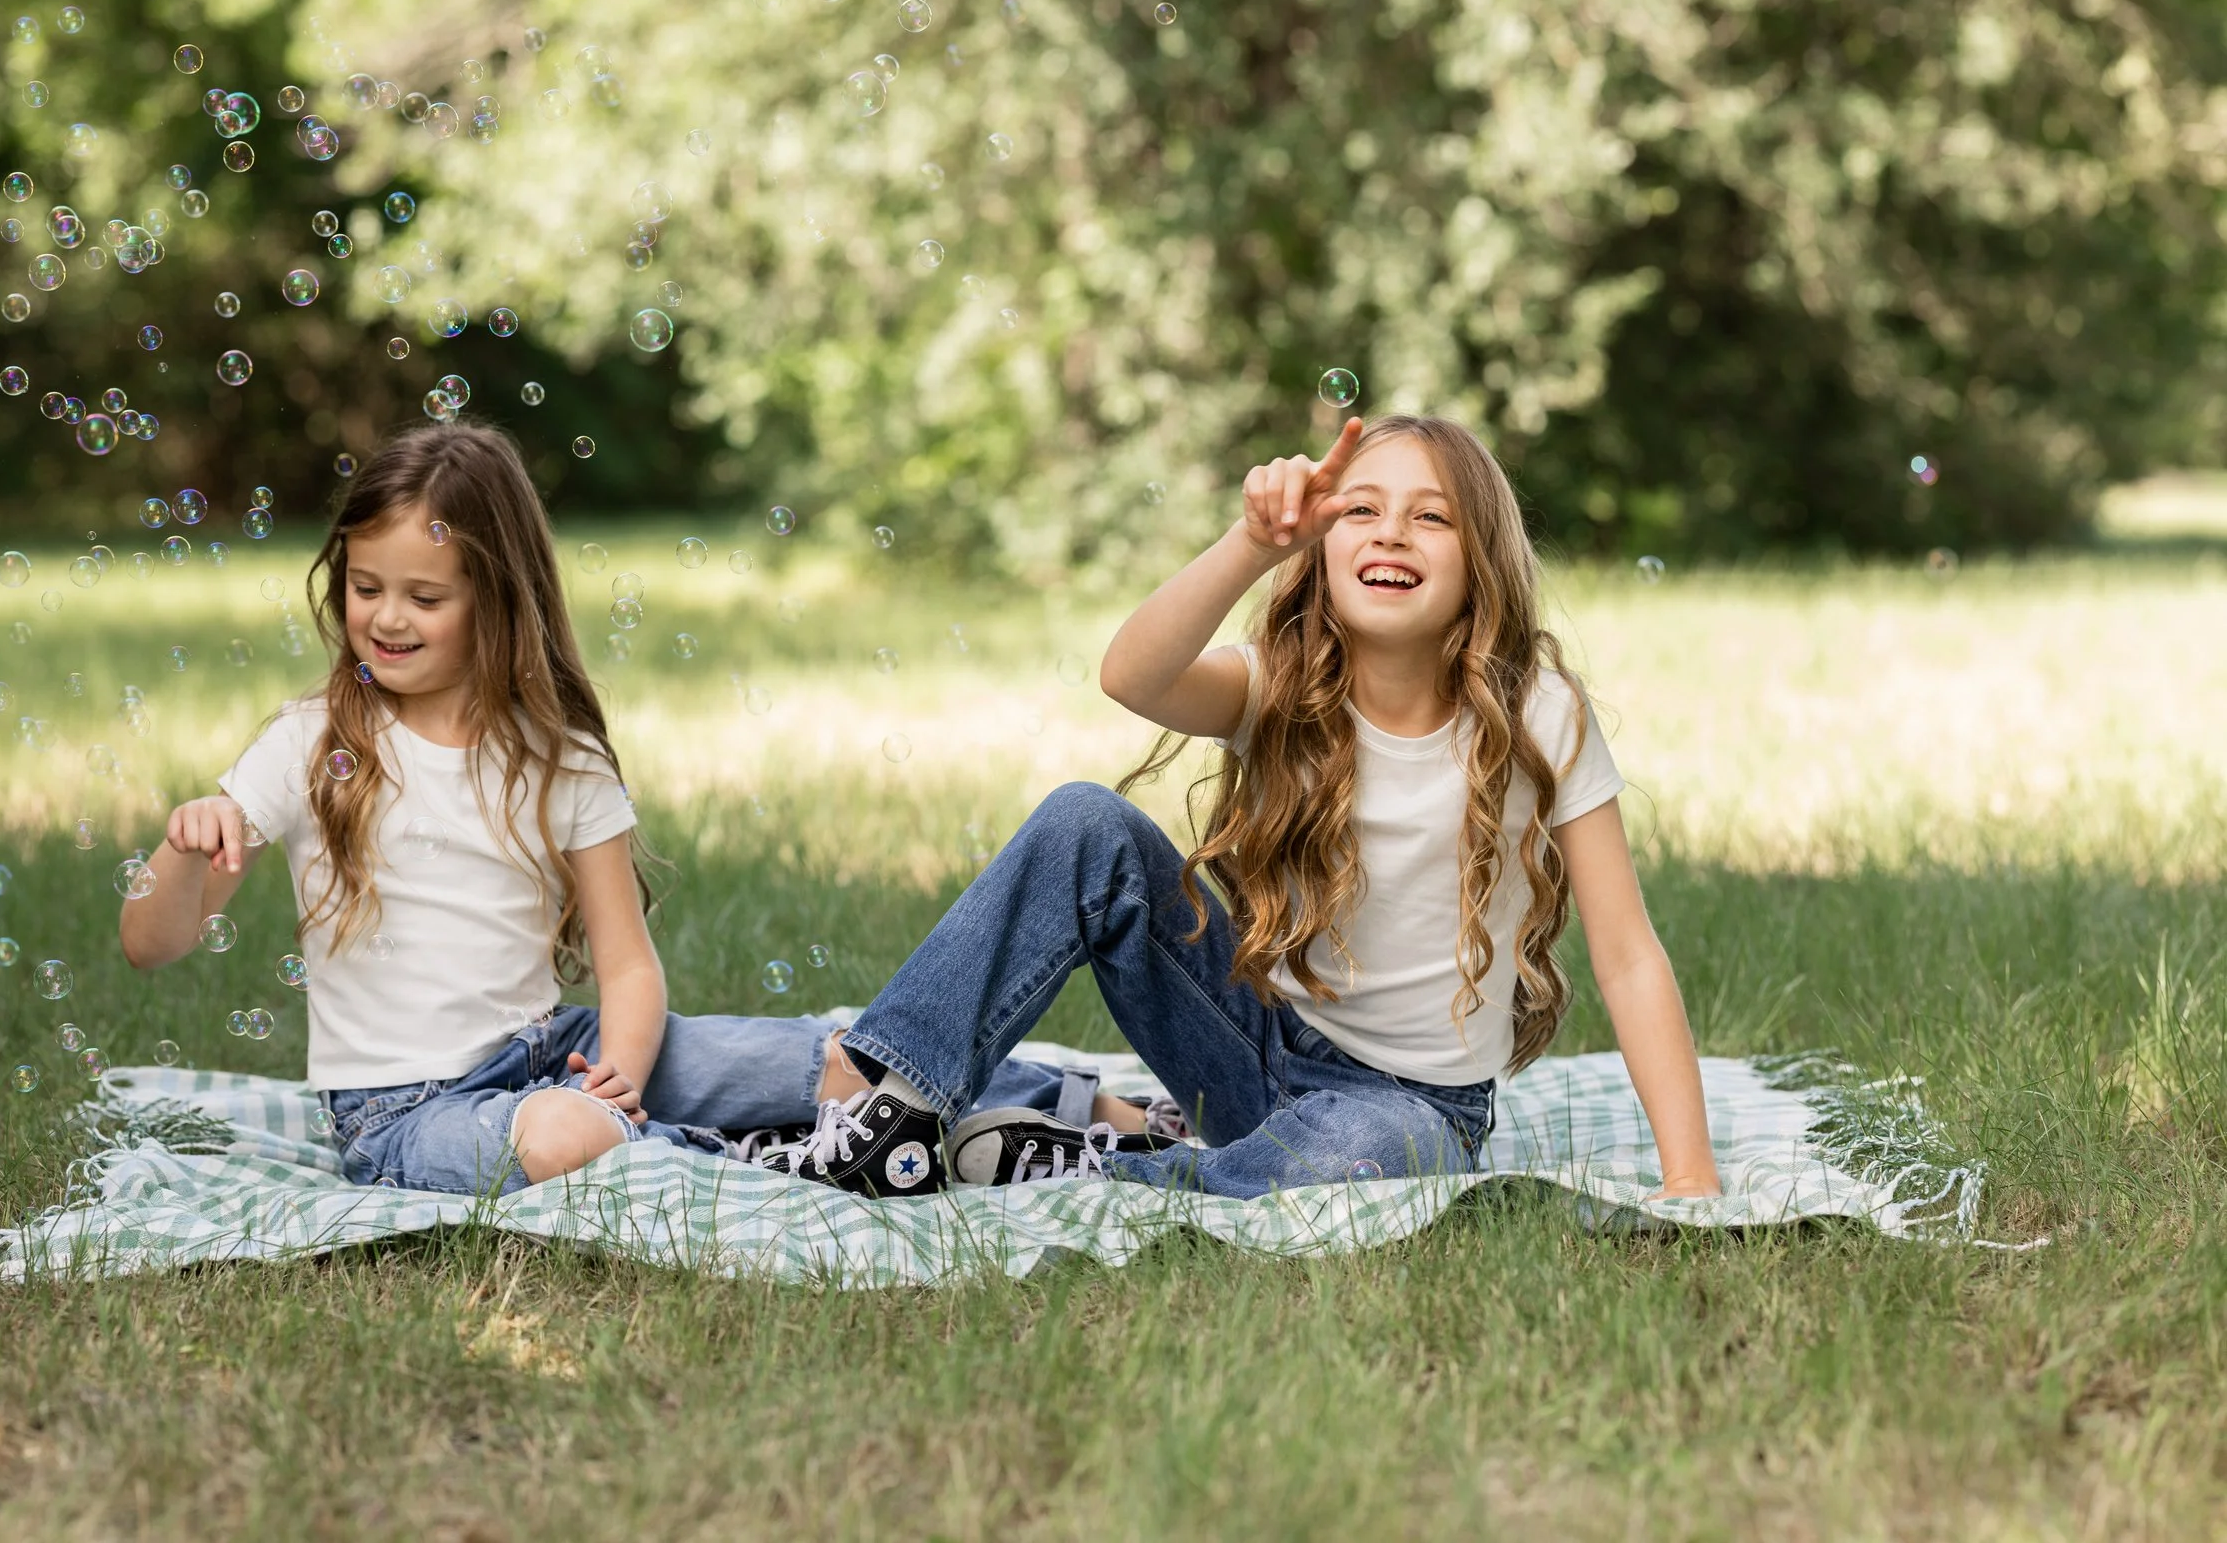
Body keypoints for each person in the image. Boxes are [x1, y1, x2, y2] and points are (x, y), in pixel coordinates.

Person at [117, 421, 1105, 1196]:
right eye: (366, 586)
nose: (383, 615)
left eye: (424, 595)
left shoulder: (558, 755)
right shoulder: (308, 743)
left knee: (835, 1061)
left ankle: (1088, 1112)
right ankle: (796, 1160)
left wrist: (622, 1070)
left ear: (498, 599)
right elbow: (149, 943)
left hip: (556, 1046)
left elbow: (628, 959)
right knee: (559, 1134)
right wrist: (185, 853)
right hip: (404, 1113)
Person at [757, 413, 1723, 1201]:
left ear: (1484, 564)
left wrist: (1691, 1175)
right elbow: (1131, 674)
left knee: (1363, 1159)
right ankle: (884, 1098)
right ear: (1322, 546)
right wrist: (1250, 543)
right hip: (1247, 1042)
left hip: (1411, 1106)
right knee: (1087, 823)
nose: (1391, 531)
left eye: (1432, 517)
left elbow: (1629, 952)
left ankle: (1092, 1162)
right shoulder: (1285, 685)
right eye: (1363, 509)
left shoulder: (1539, 713)